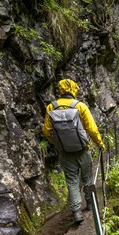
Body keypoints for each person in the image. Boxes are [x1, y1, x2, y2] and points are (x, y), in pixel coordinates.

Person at [43, 79, 105, 223]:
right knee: (88, 179)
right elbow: (92, 129)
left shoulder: (51, 107)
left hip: (65, 153)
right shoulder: (80, 106)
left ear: (60, 90)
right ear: (73, 89)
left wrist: (57, 143)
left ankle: (76, 212)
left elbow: (46, 131)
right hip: (83, 150)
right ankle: (90, 204)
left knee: (72, 182)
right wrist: (100, 143)